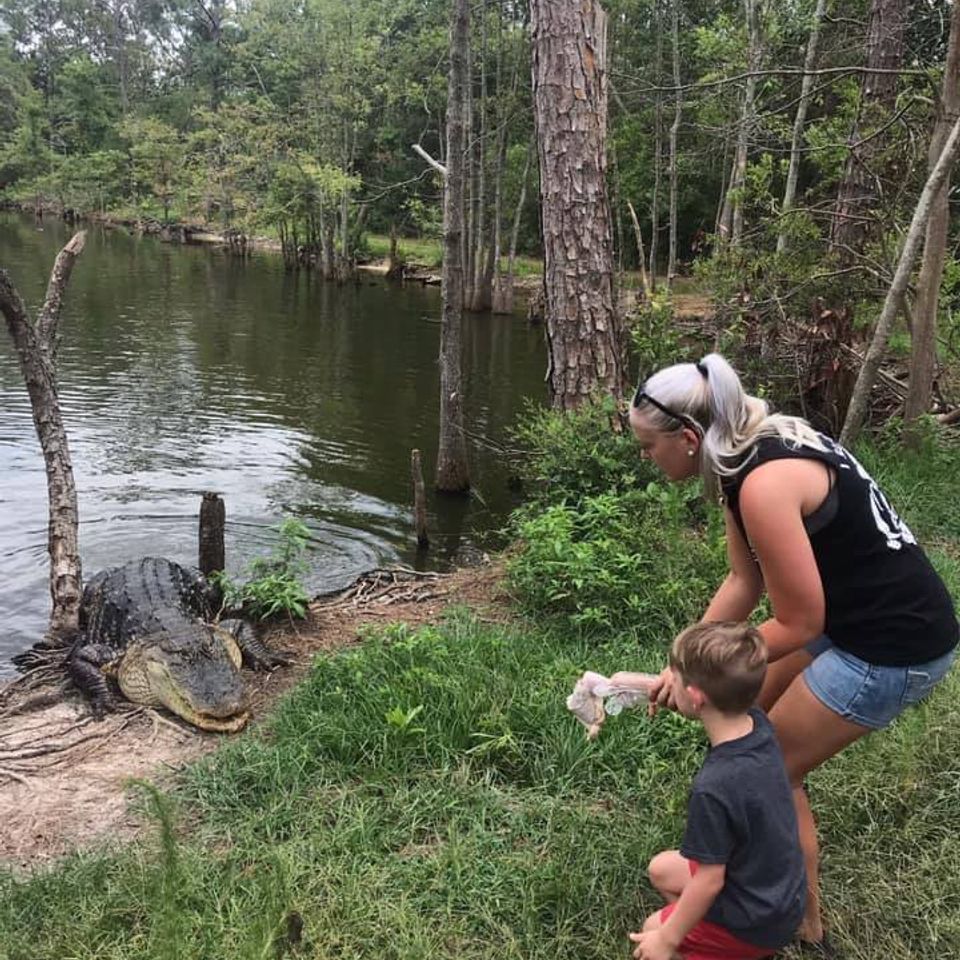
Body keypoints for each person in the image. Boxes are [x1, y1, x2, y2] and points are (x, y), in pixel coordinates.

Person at [619, 353, 958, 953]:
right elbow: (743, 585)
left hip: (894, 643)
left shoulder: (764, 484)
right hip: (851, 619)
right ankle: (743, 868)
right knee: (745, 729)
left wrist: (700, 672)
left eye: (649, 447)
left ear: (689, 438)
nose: (647, 459)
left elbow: (800, 622)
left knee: (773, 766)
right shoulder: (745, 452)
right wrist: (681, 663)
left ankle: (802, 922)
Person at [628, 621, 805, 960]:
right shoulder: (758, 724)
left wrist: (667, 938)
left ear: (695, 698)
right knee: (661, 869)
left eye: (674, 677)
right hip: (779, 895)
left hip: (754, 920)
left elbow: (709, 880)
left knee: (654, 930)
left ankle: (723, 947)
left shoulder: (714, 787)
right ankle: (717, 944)